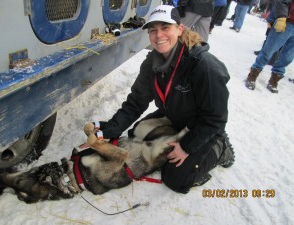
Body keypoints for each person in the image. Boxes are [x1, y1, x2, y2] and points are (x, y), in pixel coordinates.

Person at [92, 5, 235, 194]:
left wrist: (186, 146)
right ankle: (176, 133)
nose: (159, 35)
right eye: (153, 30)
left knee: (175, 178)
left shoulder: (204, 66)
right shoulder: (151, 63)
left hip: (204, 125)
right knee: (136, 133)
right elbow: (136, 102)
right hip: (174, 116)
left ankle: (220, 148)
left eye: (165, 28)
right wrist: (111, 129)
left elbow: (215, 118)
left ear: (180, 29)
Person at [245, 0, 294, 93]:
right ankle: (253, 75)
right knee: (269, 50)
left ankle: (274, 80)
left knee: (288, 57)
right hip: (286, 21)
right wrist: (281, 16)